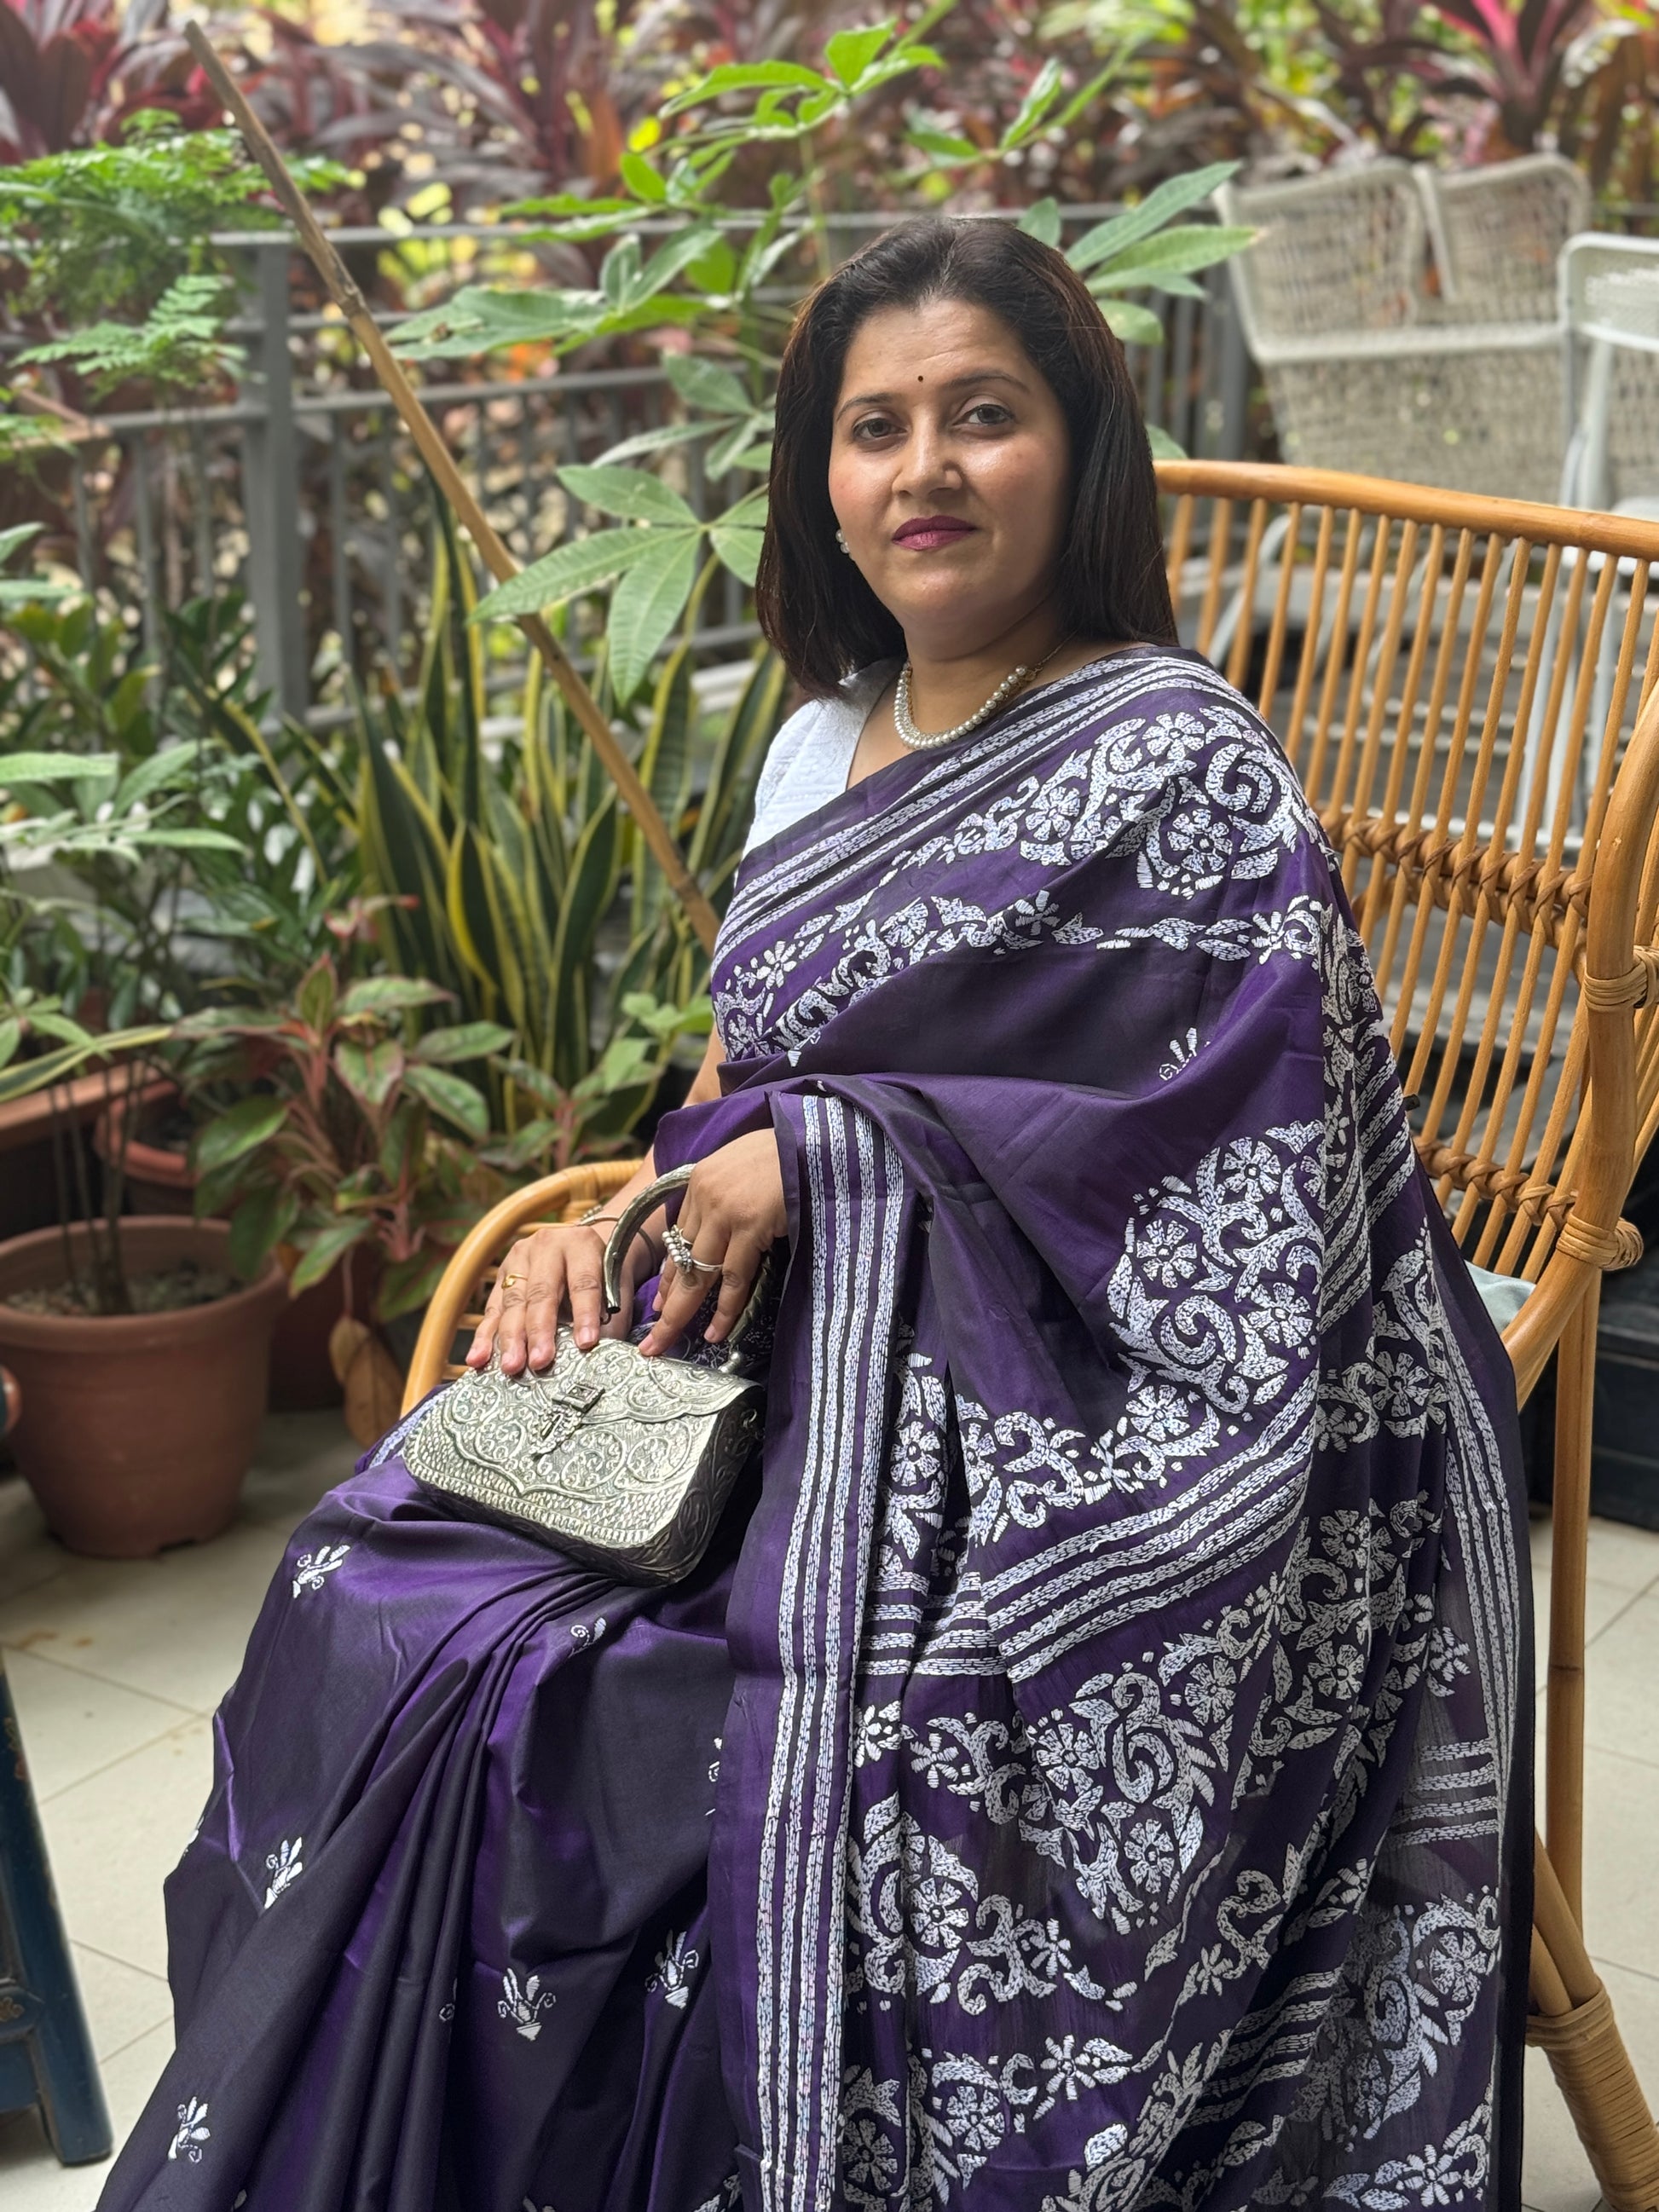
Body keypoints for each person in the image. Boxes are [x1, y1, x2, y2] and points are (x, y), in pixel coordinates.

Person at [99, 217, 1529, 2212]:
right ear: (823, 484)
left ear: (1077, 453)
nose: (924, 466)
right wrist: (602, 1214)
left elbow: (1249, 1170)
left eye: (981, 414)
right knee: (367, 1590)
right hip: (767, 1357)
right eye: (875, 427)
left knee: (620, 1725)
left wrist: (843, 1157)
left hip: (1053, 1427)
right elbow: (729, 1082)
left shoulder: (1178, 758)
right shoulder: (811, 742)